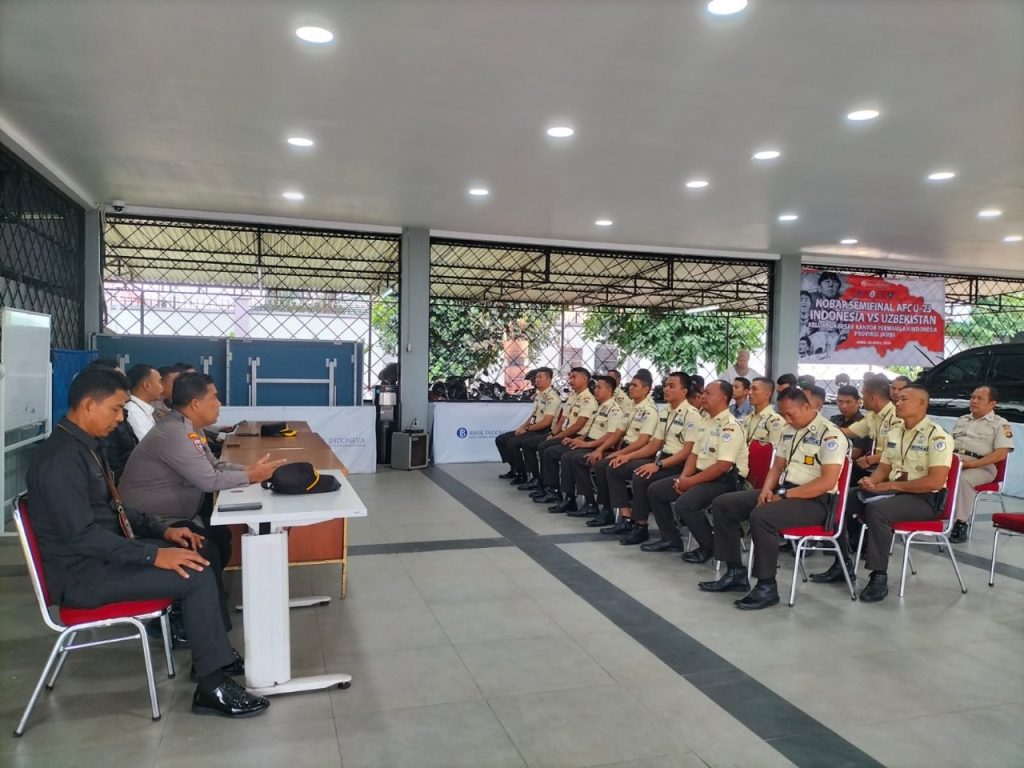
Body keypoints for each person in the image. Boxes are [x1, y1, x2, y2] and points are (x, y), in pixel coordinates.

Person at [25, 366, 270, 717]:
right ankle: (212, 684)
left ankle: (211, 659)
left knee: (195, 551)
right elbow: (82, 536)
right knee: (196, 572)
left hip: (103, 558)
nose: (120, 418)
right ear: (89, 405)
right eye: (116, 409)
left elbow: (115, 508)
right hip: (83, 576)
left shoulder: (86, 447)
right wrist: (152, 556)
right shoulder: (60, 461)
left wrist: (163, 531)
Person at [119, 372, 286, 629]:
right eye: (215, 397)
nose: (219, 403)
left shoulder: (189, 428)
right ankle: (203, 622)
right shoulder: (174, 433)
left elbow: (214, 465)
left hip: (175, 514)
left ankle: (202, 602)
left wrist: (249, 471)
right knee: (206, 548)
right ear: (196, 403)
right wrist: (250, 476)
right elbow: (209, 480)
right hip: (151, 520)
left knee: (220, 536)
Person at [698, 387, 849, 608]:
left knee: (762, 516)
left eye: (791, 414)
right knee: (725, 504)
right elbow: (777, 466)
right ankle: (735, 572)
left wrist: (786, 495)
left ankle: (766, 586)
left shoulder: (830, 435)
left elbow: (827, 482)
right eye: (783, 414)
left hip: (816, 501)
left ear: (806, 407)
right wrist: (767, 490)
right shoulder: (789, 430)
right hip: (786, 493)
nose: (787, 419)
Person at [848, 384, 954, 603]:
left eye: (904, 399)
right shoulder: (895, 432)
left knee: (877, 510)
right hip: (895, 493)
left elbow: (934, 481)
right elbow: (884, 469)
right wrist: (871, 481)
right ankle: (842, 564)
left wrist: (892, 486)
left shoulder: (938, 437)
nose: (897, 402)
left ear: (921, 404)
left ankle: (878, 576)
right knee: (841, 501)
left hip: (925, 500)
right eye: (897, 399)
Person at [603, 372, 699, 544]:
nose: (666, 389)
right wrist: (627, 456)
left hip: (681, 464)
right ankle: (628, 520)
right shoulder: (666, 411)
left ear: (684, 391)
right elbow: (654, 445)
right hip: (664, 459)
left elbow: (687, 452)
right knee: (616, 467)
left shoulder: (691, 415)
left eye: (672, 386)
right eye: (666, 385)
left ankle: (642, 527)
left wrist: (658, 465)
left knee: (642, 477)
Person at [676, 381, 751, 564]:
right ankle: (670, 539)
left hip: (726, 480)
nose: (703, 396)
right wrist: (683, 478)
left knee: (685, 504)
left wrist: (689, 483)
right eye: (703, 393)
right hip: (704, 475)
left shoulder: (730, 426)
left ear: (723, 398)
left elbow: (722, 466)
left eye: (708, 393)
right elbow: (694, 454)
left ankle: (709, 547)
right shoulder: (705, 421)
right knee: (657, 489)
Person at [589, 370, 660, 530]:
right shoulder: (630, 407)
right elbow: (617, 434)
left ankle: (626, 517)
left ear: (646, 389)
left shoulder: (649, 411)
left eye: (635, 385)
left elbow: (642, 441)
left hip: (641, 454)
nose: (630, 388)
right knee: (600, 464)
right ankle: (608, 510)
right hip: (626, 449)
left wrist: (619, 454)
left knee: (611, 466)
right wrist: (600, 449)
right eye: (630, 385)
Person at [546, 376, 623, 515]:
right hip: (590, 442)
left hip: (602, 447)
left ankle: (590, 503)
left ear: (609, 390)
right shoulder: (599, 407)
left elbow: (610, 436)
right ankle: (570, 498)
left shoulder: (614, 410)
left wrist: (587, 444)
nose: (595, 390)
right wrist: (577, 439)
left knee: (575, 458)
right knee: (566, 456)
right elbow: (589, 431)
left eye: (599, 387)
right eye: (595, 387)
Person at [949, 386, 1015, 543]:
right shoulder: (962, 419)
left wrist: (972, 465)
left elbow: (1001, 453)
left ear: (992, 403)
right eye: (972, 397)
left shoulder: (1001, 424)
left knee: (964, 479)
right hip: (955, 461)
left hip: (982, 466)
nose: (974, 401)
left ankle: (960, 522)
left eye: (979, 398)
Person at [529, 368, 598, 505]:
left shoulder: (588, 400)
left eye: (574, 377)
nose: (570, 380)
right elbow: (562, 420)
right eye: (570, 377)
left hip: (576, 436)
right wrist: (553, 433)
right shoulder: (572, 396)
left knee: (549, 450)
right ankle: (547, 486)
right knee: (543, 446)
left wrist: (557, 436)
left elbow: (578, 425)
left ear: (585, 379)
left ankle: (554, 490)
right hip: (566, 433)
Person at [495, 367, 560, 484]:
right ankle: (515, 469)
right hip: (533, 428)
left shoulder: (552, 398)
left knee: (513, 443)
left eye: (540, 377)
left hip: (543, 431)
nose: (537, 380)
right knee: (501, 439)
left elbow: (546, 422)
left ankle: (524, 474)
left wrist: (526, 429)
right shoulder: (539, 395)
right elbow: (533, 416)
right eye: (536, 377)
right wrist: (522, 427)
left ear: (549, 380)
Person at [124, 363, 163, 440]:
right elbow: (148, 445)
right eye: (159, 382)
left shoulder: (140, 409)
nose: (162, 387)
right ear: (147, 385)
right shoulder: (133, 412)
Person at [744, 377, 786, 448]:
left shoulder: (774, 420)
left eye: (754, 389)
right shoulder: (748, 418)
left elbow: (774, 449)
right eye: (749, 389)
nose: (749, 393)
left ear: (767, 394)